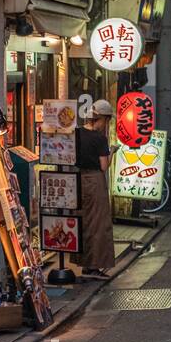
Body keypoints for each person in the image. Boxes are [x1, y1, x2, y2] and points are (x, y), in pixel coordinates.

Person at [73, 100, 115, 280]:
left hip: (78, 180)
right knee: (98, 224)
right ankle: (94, 267)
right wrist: (112, 151)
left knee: (82, 222)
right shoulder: (100, 139)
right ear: (103, 118)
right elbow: (104, 166)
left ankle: (84, 264)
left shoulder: (77, 133)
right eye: (107, 121)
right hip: (95, 181)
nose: (106, 125)